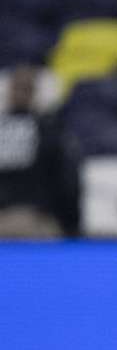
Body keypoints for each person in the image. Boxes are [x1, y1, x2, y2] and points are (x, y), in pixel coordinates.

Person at [0, 65, 79, 238]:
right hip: (36, 223)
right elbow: (67, 182)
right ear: (34, 94)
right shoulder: (48, 128)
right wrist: (72, 226)